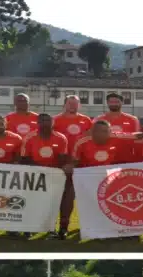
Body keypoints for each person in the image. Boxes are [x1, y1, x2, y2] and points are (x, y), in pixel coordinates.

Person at [52, 96, 93, 240]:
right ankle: (62, 226)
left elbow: (90, 140)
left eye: (75, 104)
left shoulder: (86, 120)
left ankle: (89, 225)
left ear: (79, 105)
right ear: (64, 105)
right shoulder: (55, 120)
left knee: (86, 196)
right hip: (62, 164)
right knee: (62, 197)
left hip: (82, 163)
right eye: (70, 103)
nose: (73, 106)